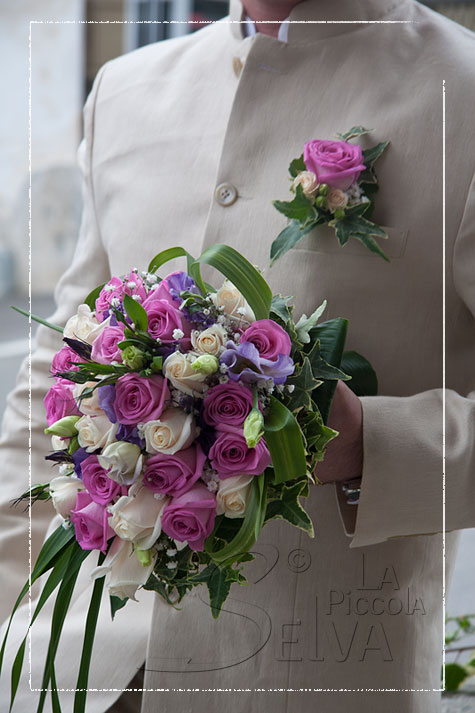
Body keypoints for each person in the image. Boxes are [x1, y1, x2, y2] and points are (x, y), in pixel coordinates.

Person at [1, 0, 474, 711]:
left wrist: (372, 447)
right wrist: (12, 602)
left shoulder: (461, 92)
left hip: (318, 680)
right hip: (78, 670)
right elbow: (54, 371)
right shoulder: (125, 93)